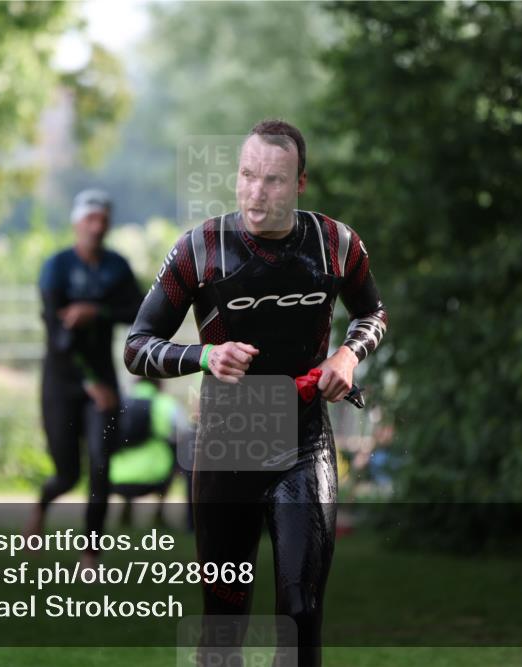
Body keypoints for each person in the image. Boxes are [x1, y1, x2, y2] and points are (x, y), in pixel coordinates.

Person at [123, 119, 388, 666]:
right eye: (247, 175)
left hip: (303, 443)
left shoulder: (336, 243)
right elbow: (137, 346)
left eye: (272, 180)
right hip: (227, 444)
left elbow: (373, 312)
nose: (255, 192)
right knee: (222, 631)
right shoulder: (201, 249)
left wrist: (347, 354)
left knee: (300, 617)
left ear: (299, 185)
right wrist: (204, 356)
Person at [28, 188, 143, 569]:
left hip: (103, 384)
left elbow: (138, 312)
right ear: (77, 222)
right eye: (90, 219)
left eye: (103, 220)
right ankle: (41, 507)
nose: (96, 227)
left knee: (100, 465)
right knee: (66, 474)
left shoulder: (117, 267)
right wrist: (87, 380)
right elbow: (56, 333)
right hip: (62, 382)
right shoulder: (56, 267)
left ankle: (90, 553)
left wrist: (96, 311)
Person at [109, 376, 193, 530]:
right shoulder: (166, 404)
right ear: (160, 384)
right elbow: (185, 432)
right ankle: (159, 515)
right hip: (155, 477)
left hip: (116, 477)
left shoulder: (120, 403)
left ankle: (126, 511)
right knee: (177, 453)